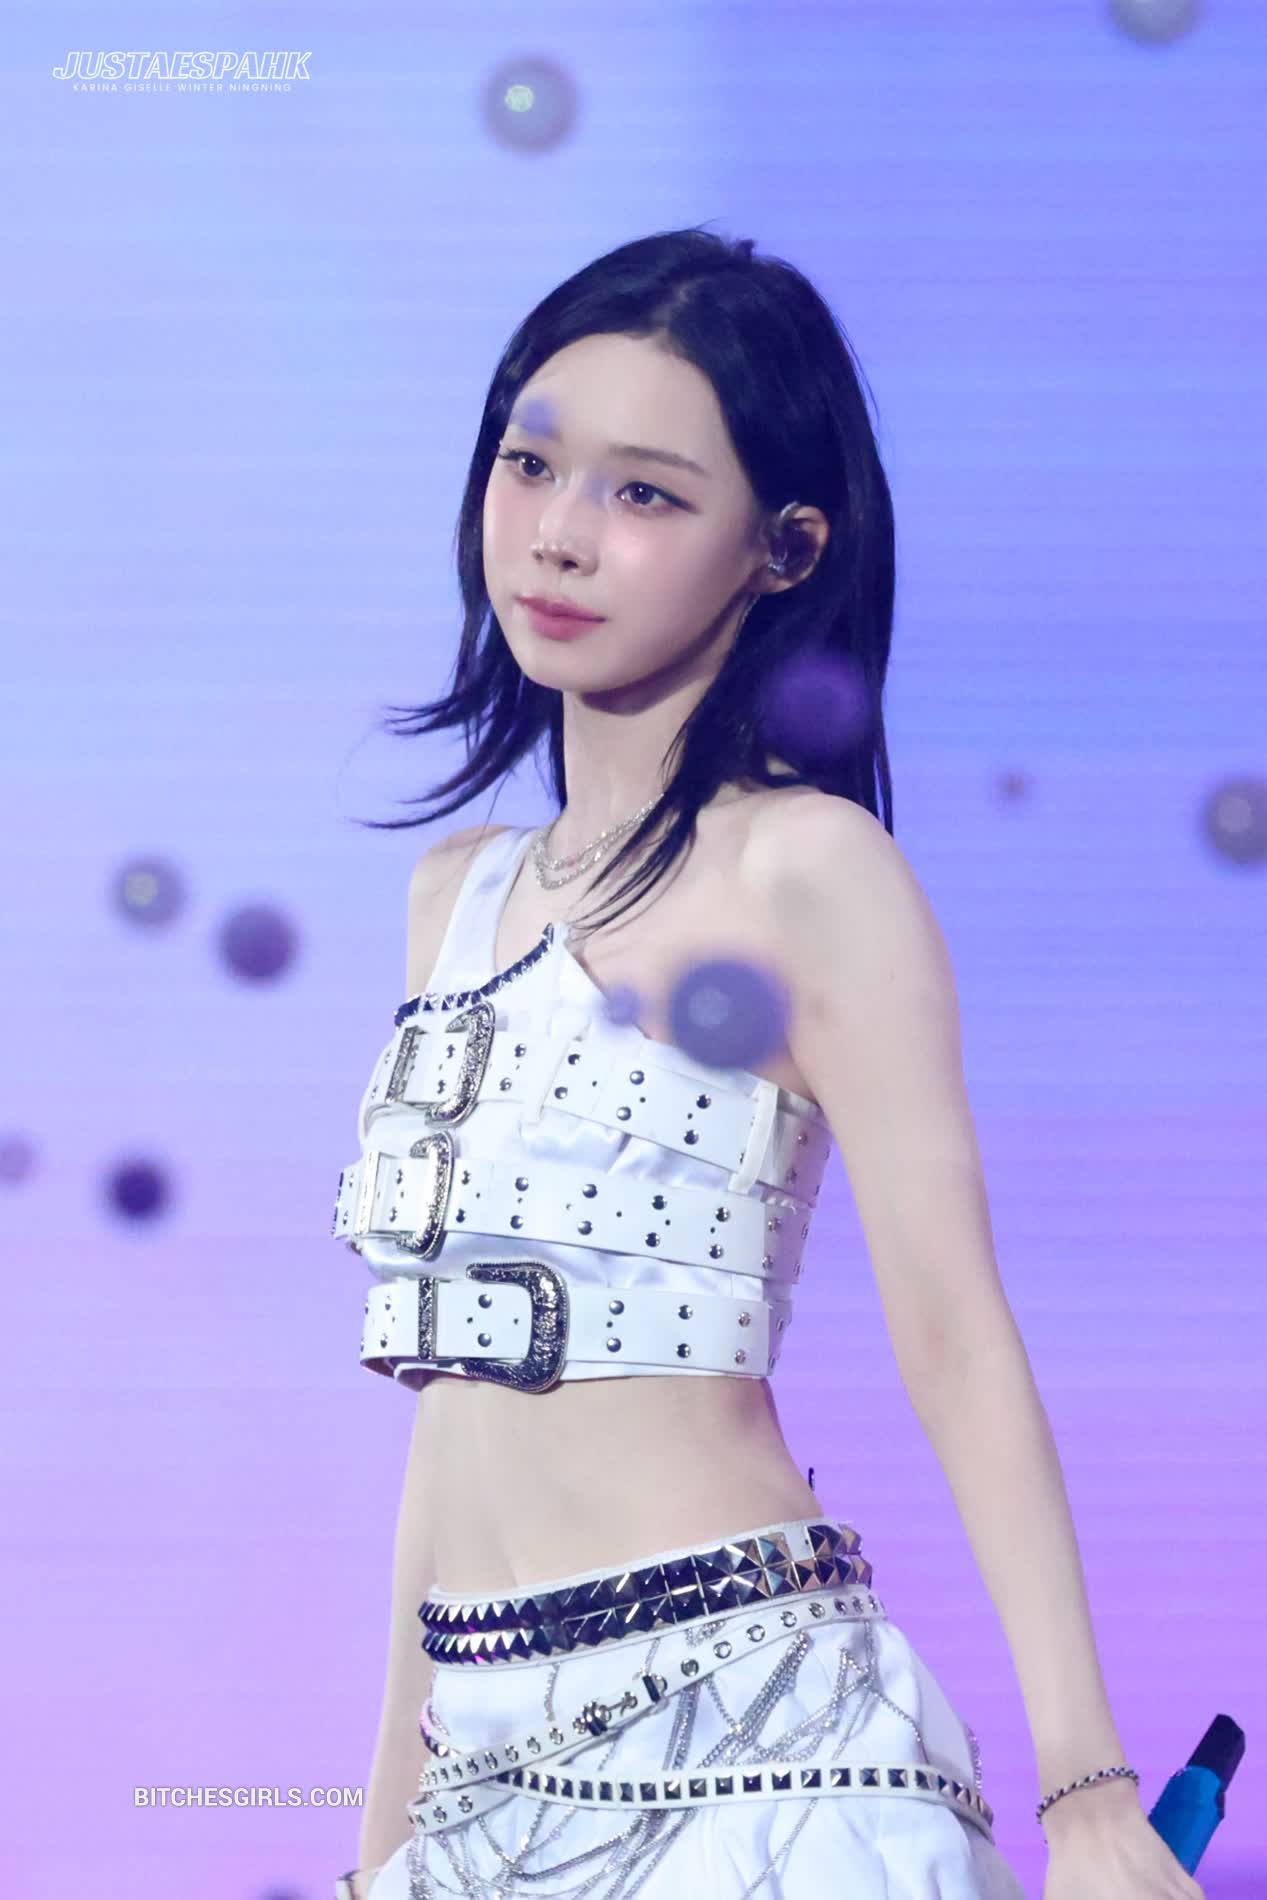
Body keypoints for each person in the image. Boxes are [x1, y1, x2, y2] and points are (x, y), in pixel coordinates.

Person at [329, 228, 1203, 1900]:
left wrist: (1087, 1787)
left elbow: (953, 1332)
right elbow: (452, 1405)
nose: (560, 532)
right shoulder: (455, 897)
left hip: (763, 1757)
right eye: (531, 463)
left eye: (646, 494)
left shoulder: (809, 873)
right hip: (486, 1784)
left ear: (784, 549)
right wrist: (385, 1829)